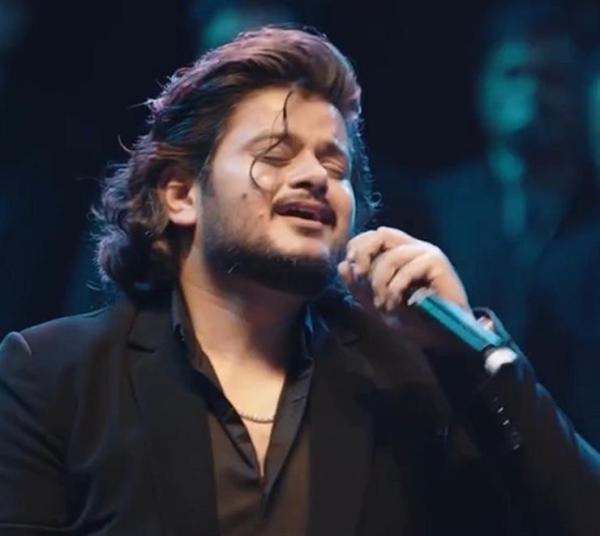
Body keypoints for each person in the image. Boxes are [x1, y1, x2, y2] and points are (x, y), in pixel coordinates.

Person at [0, 26, 599, 536]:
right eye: (276, 153)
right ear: (181, 194)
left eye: (334, 164)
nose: (316, 176)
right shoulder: (51, 374)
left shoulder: (411, 375)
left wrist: (468, 350)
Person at [416, 3, 596, 343]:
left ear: (581, 90)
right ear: (483, 85)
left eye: (553, 78)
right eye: (514, 74)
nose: (532, 92)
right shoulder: (434, 206)